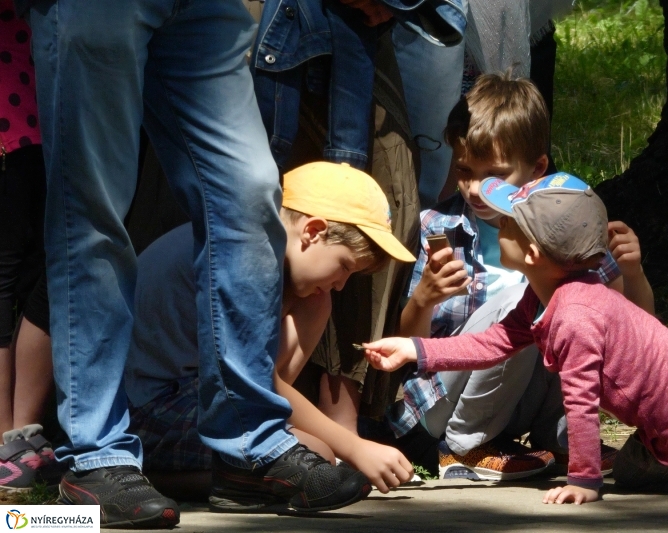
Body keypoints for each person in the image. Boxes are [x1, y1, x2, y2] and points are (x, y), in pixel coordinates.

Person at [22, 0, 403, 526]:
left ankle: (248, 445)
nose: (338, 284)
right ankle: (97, 456)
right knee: (93, 208)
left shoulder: (311, 298)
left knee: (251, 192)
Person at [365, 176, 668, 503]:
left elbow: (581, 402)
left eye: (507, 223)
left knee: (632, 472)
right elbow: (493, 343)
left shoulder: (573, 316)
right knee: (664, 448)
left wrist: (585, 480)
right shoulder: (555, 292)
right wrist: (415, 349)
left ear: (532, 254)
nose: (498, 227)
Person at [391, 72, 653, 480]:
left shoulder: (563, 230)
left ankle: (563, 441)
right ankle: (464, 447)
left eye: (492, 174)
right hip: (441, 405)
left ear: (537, 169)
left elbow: (632, 325)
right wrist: (424, 299)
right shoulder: (435, 227)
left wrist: (632, 273)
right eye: (463, 170)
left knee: (570, 307)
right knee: (528, 299)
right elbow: (408, 343)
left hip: (516, 409)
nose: (474, 188)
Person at [125, 162, 415, 503]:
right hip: (147, 411)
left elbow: (262, 385)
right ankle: (151, 477)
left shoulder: (269, 257)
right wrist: (354, 448)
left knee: (317, 303)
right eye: (345, 267)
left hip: (198, 394)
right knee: (315, 454)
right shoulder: (245, 260)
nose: (340, 285)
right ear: (313, 231)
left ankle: (234, 471)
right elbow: (257, 382)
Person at [0, 0, 58, 491]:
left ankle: (22, 432)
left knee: (53, 275)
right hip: (8, 118)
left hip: (55, 118)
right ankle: (4, 439)